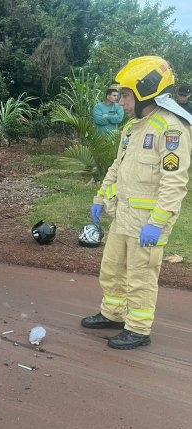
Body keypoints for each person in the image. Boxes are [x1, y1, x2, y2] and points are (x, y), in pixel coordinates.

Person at [81, 56, 190, 350]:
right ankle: (113, 314)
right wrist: (100, 196)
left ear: (146, 91)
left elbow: (175, 182)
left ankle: (139, 329)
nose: (123, 102)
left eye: (127, 95)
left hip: (147, 223)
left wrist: (157, 222)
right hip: (123, 216)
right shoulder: (132, 128)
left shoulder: (171, 129)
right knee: (112, 268)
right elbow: (117, 167)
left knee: (140, 276)